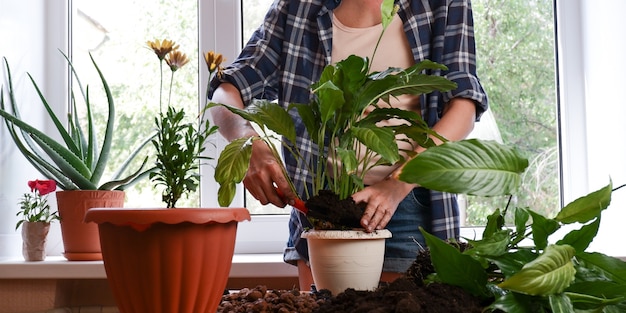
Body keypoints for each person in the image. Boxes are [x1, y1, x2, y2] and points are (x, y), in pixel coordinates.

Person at [209, 0, 488, 290]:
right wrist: (249, 143)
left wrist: (397, 184)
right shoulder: (298, 6)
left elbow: (464, 106)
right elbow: (225, 91)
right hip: (318, 209)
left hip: (409, 206)